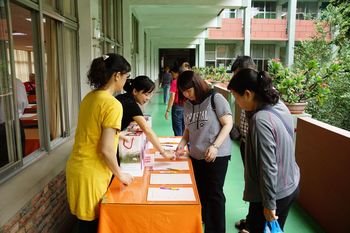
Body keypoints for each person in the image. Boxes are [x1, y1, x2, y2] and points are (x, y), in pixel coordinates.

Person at [66, 53, 134, 233]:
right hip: (92, 174)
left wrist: (120, 135)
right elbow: (105, 149)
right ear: (116, 75)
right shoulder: (113, 104)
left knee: (83, 223)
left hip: (77, 168)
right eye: (126, 76)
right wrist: (121, 175)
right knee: (92, 226)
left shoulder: (90, 97)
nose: (126, 81)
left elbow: (92, 132)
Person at [227, 68, 300, 233]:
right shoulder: (278, 105)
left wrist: (269, 205)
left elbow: (268, 166)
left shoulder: (260, 120)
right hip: (290, 183)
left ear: (248, 94)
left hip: (274, 194)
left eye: (236, 97)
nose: (236, 103)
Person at [175, 70, 233, 233]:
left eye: (189, 90)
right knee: (201, 191)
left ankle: (216, 230)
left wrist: (215, 146)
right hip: (196, 154)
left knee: (214, 194)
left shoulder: (216, 99)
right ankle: (204, 223)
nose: (186, 94)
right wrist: (182, 143)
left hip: (217, 154)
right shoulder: (187, 104)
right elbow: (188, 129)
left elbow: (228, 124)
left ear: (197, 85)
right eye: (183, 92)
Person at [116, 75, 175, 160]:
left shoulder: (123, 97)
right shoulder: (131, 104)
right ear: (135, 91)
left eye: (150, 95)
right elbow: (147, 130)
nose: (148, 98)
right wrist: (164, 152)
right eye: (146, 94)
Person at [230, 56, 257, 231]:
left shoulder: (260, 95)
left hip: (256, 146)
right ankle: (251, 219)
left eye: (237, 74)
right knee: (250, 183)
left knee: (256, 187)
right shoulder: (247, 91)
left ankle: (253, 224)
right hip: (245, 142)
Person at [164, 66, 184, 136]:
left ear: (177, 73)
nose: (172, 75)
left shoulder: (175, 82)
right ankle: (185, 146)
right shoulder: (185, 82)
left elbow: (172, 97)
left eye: (173, 74)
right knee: (184, 129)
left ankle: (180, 145)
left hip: (177, 108)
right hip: (186, 107)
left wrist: (167, 110)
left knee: (177, 129)